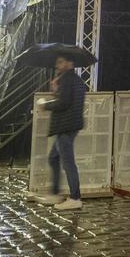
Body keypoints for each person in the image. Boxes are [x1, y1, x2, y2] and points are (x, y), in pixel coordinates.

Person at [36, 56, 87, 211]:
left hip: (65, 126)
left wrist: (45, 105)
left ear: (70, 63)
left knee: (68, 162)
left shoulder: (66, 79)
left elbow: (64, 103)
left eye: (60, 62)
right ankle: (55, 193)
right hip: (71, 125)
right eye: (57, 62)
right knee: (54, 158)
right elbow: (67, 100)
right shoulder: (75, 80)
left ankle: (75, 198)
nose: (57, 65)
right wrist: (56, 90)